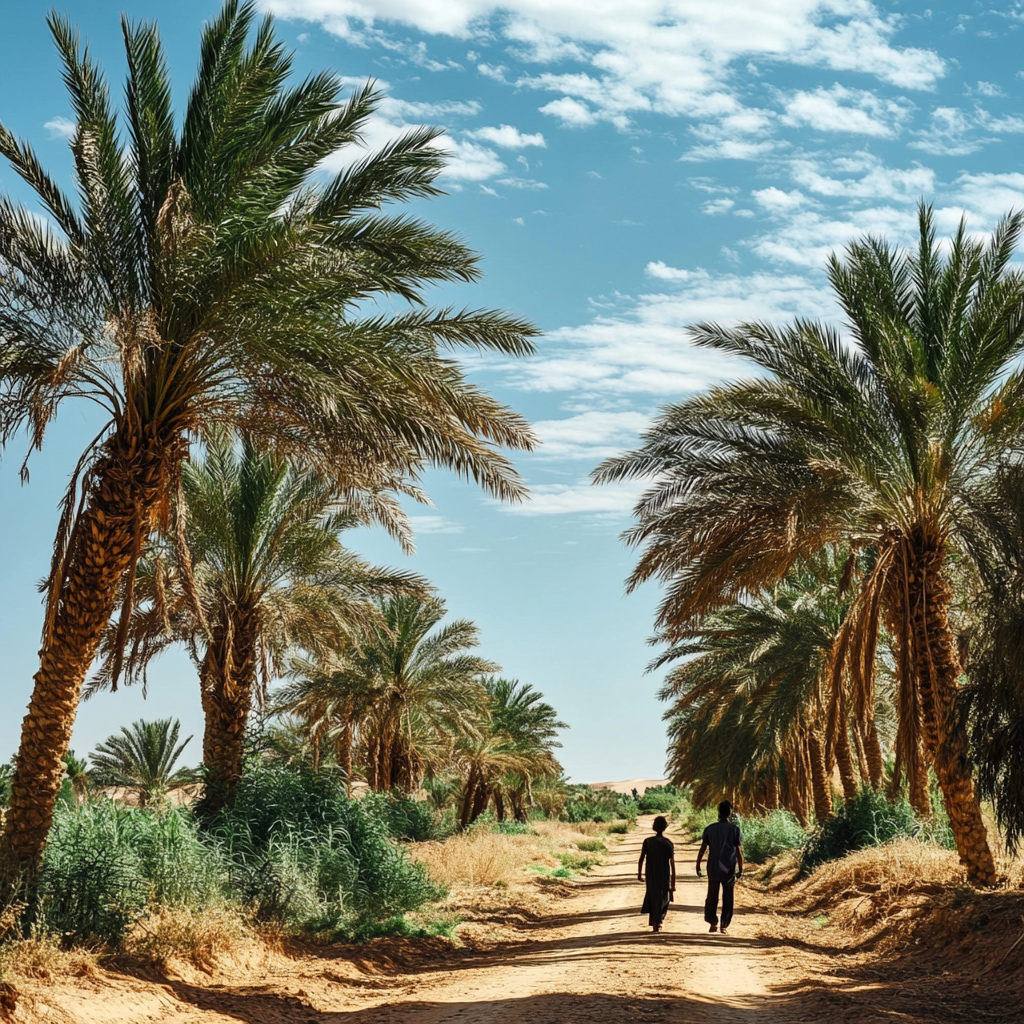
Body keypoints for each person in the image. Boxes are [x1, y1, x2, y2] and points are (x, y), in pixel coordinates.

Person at [695, 800, 743, 935]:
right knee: (728, 897)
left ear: (718, 812)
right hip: (729, 867)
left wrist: (698, 864)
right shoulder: (735, 830)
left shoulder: (710, 829)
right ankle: (724, 925)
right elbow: (738, 851)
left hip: (713, 867)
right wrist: (741, 868)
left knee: (712, 895)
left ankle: (712, 922)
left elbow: (703, 848)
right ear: (730, 813)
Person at [637, 815, 676, 932]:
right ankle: (658, 921)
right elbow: (672, 864)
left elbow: (641, 858)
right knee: (664, 898)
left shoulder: (648, 842)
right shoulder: (668, 843)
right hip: (664, 874)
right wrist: (673, 882)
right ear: (664, 828)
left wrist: (639, 874)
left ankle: (655, 921)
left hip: (651, 874)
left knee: (653, 896)